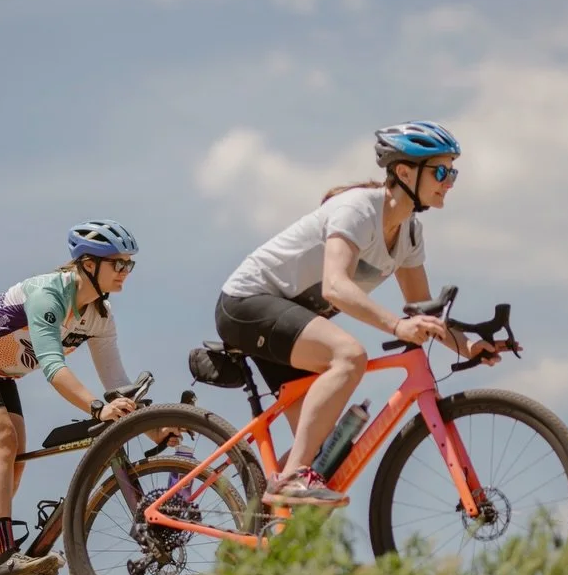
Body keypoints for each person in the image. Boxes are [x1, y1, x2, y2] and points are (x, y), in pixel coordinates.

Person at [212, 120, 506, 507]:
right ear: (404, 172)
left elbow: (422, 308)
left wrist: (467, 345)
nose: (449, 180)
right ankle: (289, 481)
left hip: (289, 320)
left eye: (453, 171)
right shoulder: (359, 209)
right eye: (440, 170)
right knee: (350, 355)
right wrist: (398, 325)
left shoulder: (409, 233)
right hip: (248, 303)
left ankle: (256, 531)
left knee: (325, 450)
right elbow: (336, 285)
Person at [0, 219, 155, 575]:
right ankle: (4, 560)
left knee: (13, 465)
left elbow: (118, 384)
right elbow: (52, 366)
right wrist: (97, 409)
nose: (125, 272)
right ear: (89, 265)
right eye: (119, 264)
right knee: (2, 442)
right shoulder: (49, 295)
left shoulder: (99, 317)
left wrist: (157, 424)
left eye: (130, 264)